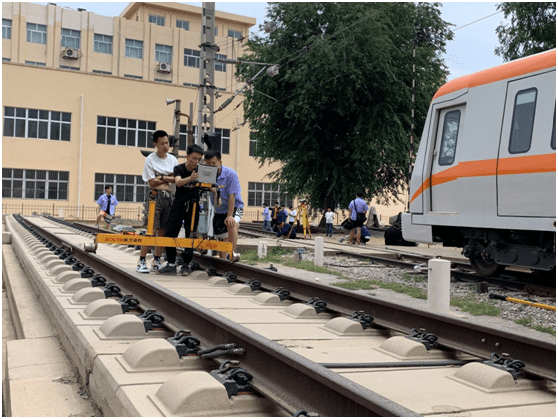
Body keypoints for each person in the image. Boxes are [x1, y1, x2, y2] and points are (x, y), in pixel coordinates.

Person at [156, 144, 204, 275]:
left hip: (193, 205)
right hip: (178, 204)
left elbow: (207, 184)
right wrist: (190, 178)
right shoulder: (179, 168)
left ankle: (185, 265)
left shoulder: (201, 169)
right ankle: (171, 264)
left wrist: (214, 189)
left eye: (199, 159)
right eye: (194, 158)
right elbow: (177, 182)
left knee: (190, 234)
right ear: (187, 156)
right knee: (170, 232)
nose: (196, 161)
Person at [137, 130, 178, 273]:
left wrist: (160, 176)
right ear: (155, 144)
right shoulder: (150, 159)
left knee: (162, 230)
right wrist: (166, 177)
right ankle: (141, 260)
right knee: (151, 230)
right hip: (154, 196)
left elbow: (175, 179)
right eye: (162, 144)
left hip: (169, 196)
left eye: (167, 143)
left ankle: (156, 259)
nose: (166, 146)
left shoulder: (172, 160)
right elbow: (151, 182)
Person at [203, 149, 243, 259]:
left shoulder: (231, 174)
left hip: (235, 207)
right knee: (221, 237)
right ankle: (223, 262)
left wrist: (230, 216)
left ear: (220, 162)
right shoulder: (205, 173)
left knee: (232, 224)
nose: (211, 166)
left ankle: (232, 253)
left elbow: (232, 197)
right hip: (219, 209)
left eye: (213, 163)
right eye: (208, 163)